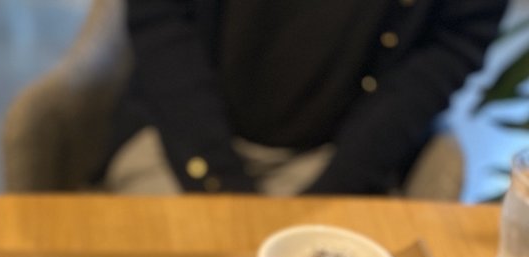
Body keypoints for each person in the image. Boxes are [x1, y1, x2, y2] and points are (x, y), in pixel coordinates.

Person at [101, 0, 508, 196]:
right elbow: (159, 20)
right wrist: (218, 180)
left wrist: (340, 182)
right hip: (181, 138)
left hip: (340, 163)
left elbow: (453, 45)